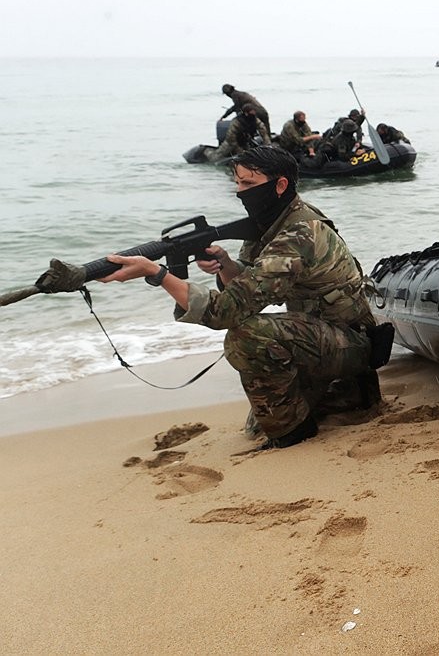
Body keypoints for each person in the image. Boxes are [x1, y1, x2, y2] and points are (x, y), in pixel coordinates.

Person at [95, 146, 382, 448]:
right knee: (256, 424)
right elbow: (249, 286)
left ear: (280, 185)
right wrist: (226, 264)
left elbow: (227, 313)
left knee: (246, 337)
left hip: (352, 344)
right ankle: (333, 397)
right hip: (322, 338)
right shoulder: (273, 221)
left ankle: (294, 435)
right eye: (237, 183)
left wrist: (156, 273)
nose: (239, 192)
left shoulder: (300, 234)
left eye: (248, 184)